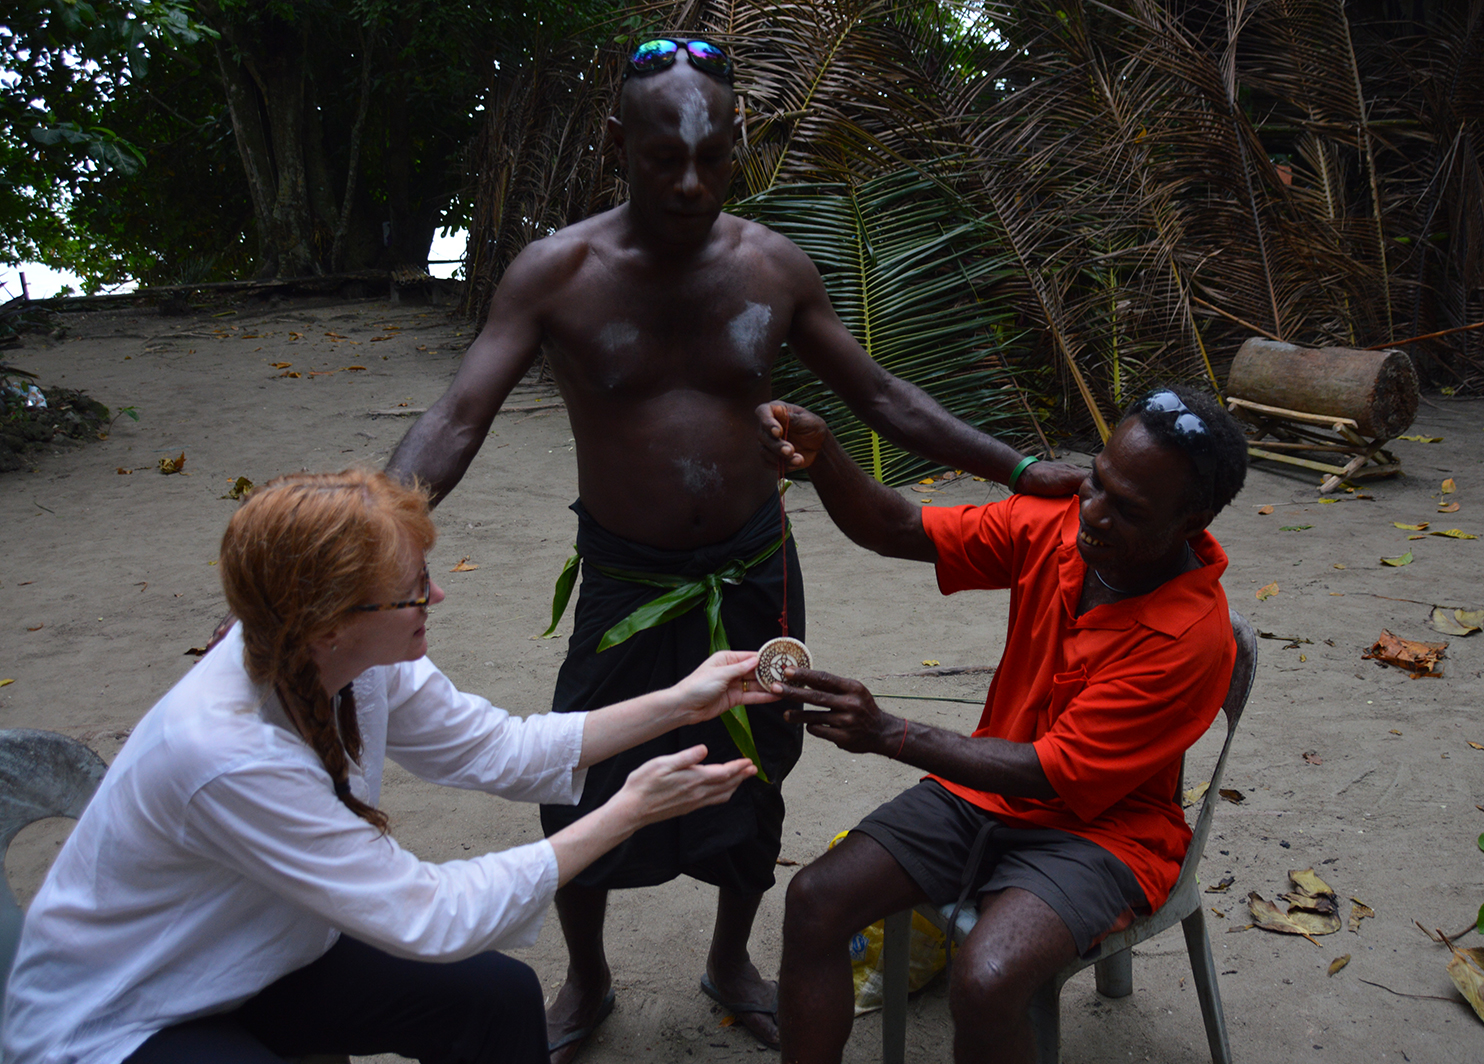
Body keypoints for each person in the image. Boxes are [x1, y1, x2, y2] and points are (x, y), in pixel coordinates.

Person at [383, 36, 1082, 1056]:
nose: (690, 181)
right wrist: (365, 534)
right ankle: (588, 970)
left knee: (757, 763)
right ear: (617, 142)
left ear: (738, 147)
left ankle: (729, 953)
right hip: (627, 574)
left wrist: (1019, 469)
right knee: (584, 763)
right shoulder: (555, 272)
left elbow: (879, 395)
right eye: (664, 157)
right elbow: (456, 417)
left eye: (713, 158)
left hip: (755, 565)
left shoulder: (771, 265)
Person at [1, 469, 775, 1064]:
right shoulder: (227, 752)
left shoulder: (356, 663)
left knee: (495, 998)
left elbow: (501, 749)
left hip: (260, 954)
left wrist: (681, 700)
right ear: (329, 622)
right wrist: (627, 812)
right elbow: (429, 917)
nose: (436, 594)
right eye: (413, 593)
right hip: (129, 1009)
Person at [762, 386, 1249, 1064]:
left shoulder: (1190, 637)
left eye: (1128, 509)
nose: (1094, 517)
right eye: (1096, 483)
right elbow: (899, 528)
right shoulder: (1063, 525)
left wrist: (890, 733)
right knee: (815, 900)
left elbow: (1052, 776)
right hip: (982, 786)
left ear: (1191, 520)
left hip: (1103, 832)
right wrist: (825, 455)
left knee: (988, 979)